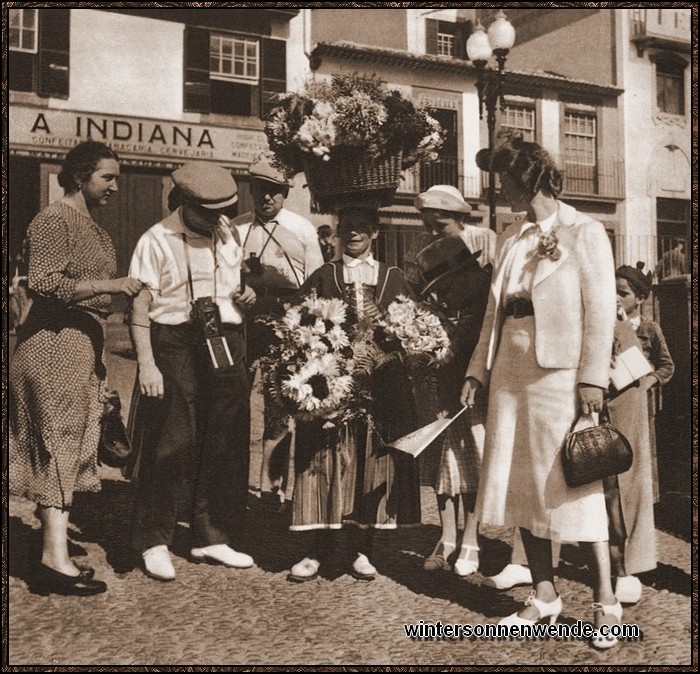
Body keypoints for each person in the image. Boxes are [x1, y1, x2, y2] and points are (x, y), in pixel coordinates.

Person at [460, 130, 620, 649]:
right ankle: (546, 595)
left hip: (560, 375)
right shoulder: (509, 236)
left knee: (575, 480)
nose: (499, 189)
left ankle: (606, 600)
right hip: (510, 371)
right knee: (522, 483)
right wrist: (476, 372)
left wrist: (593, 378)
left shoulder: (585, 231)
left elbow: (600, 313)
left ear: (526, 179)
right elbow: (493, 313)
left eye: (504, 180)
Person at [9, 140, 142, 595]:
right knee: (59, 446)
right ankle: (53, 560)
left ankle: (55, 552)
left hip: (78, 347)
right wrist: (114, 284)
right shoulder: (53, 219)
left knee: (66, 445)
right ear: (79, 176)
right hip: (52, 348)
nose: (115, 187)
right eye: (107, 177)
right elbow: (44, 281)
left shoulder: (91, 225)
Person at [128, 161, 257, 581]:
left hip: (224, 339)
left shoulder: (227, 232)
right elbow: (139, 308)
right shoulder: (157, 240)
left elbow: (230, 288)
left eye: (225, 209)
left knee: (223, 440)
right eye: (207, 211)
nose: (217, 218)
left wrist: (246, 294)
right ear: (185, 202)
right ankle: (155, 540)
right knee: (172, 441)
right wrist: (147, 363)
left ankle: (210, 535)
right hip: (175, 342)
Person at [287, 206, 421, 582]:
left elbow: (413, 331)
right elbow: (297, 327)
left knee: (371, 466)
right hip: (331, 391)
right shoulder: (324, 275)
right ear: (337, 234)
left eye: (362, 228)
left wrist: (390, 351)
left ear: (375, 233)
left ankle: (364, 549)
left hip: (380, 392)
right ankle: (316, 550)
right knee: (324, 464)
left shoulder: (393, 277)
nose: (354, 234)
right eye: (347, 228)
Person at [230, 156, 324, 501]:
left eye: (274, 192)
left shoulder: (302, 229)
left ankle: (273, 485)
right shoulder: (236, 228)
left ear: (284, 194)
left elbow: (315, 284)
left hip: (287, 320)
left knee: (280, 403)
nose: (266, 198)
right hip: (244, 319)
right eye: (260, 191)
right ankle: (236, 483)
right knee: (236, 398)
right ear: (251, 191)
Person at [409, 186, 491, 578]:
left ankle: (471, 536)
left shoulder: (485, 243)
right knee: (441, 447)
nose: (431, 229)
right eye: (426, 221)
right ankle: (446, 536)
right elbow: (412, 301)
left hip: (473, 357)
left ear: (459, 218)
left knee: (471, 451)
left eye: (439, 223)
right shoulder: (418, 248)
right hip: (437, 361)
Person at [605, 262, 674, 604]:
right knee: (605, 488)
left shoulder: (648, 327)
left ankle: (630, 564)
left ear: (640, 298)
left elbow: (666, 364)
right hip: (603, 407)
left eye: (623, 292)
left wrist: (644, 383)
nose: (616, 296)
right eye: (612, 289)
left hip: (632, 411)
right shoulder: (602, 323)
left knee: (630, 486)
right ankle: (607, 556)